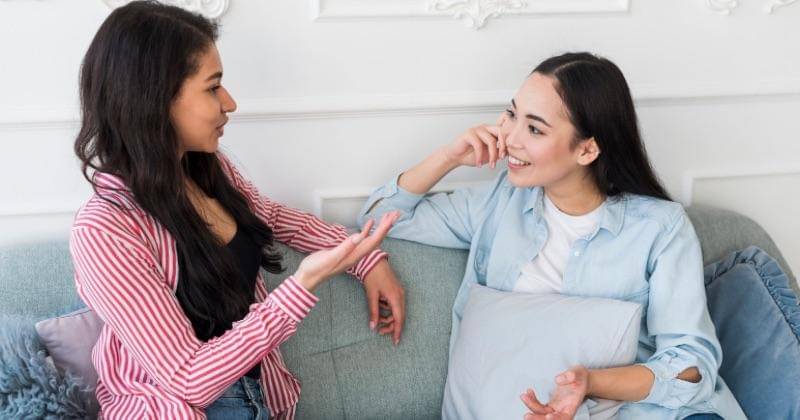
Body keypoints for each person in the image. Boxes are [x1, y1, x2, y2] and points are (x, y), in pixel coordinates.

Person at [357, 52, 746, 420]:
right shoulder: (498, 203)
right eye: (512, 114)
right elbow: (379, 219)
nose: (510, 138)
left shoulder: (660, 228)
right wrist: (449, 157)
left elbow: (692, 366)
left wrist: (592, 382)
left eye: (534, 128)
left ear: (587, 150)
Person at [70, 2, 404, 418]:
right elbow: (188, 378)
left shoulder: (208, 170)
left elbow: (274, 219)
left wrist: (366, 258)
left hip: (258, 399)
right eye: (213, 87)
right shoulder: (103, 230)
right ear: (155, 99)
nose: (230, 103)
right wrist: (302, 285)